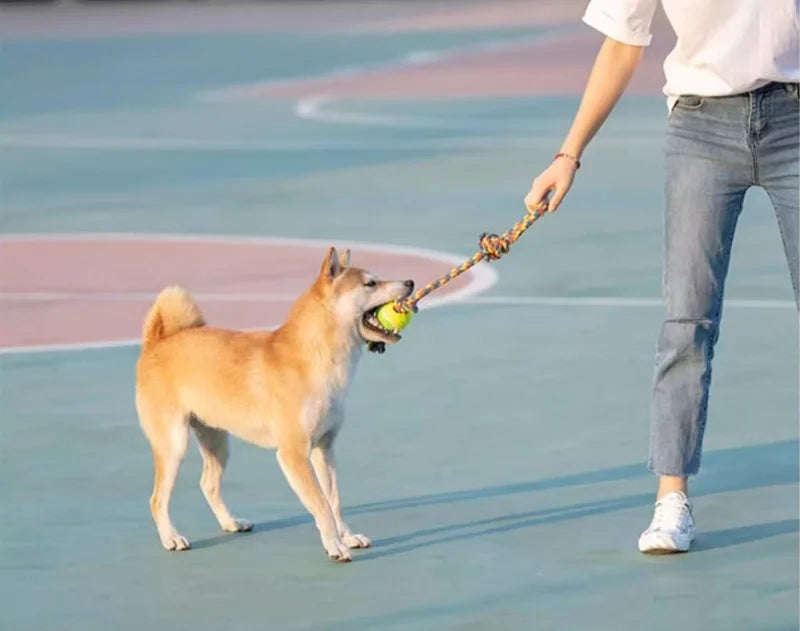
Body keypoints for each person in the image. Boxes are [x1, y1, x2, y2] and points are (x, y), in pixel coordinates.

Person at [524, 0, 799, 553]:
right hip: (701, 127)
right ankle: (671, 498)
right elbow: (623, 44)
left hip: (793, 117)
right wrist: (567, 155)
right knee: (686, 320)